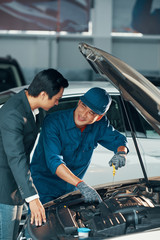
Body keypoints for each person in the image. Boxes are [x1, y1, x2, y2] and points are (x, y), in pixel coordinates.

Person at [0, 68, 68, 240]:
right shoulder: (13, 114)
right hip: (2, 187)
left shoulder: (33, 108)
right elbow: (16, 158)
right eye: (57, 99)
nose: (57, 103)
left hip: (14, 186)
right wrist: (33, 198)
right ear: (44, 95)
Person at [31, 87, 129, 205]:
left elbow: (119, 139)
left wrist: (121, 153)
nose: (83, 114)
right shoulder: (54, 122)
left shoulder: (99, 125)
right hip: (42, 189)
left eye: (91, 112)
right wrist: (81, 185)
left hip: (70, 189)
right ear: (79, 102)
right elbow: (54, 161)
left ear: (99, 117)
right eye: (83, 106)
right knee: (41, 222)